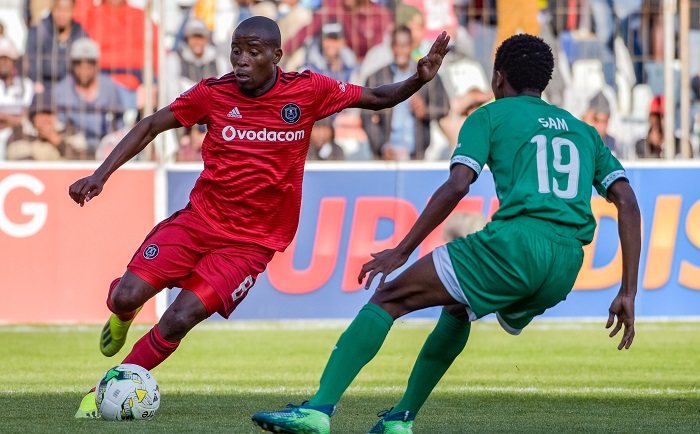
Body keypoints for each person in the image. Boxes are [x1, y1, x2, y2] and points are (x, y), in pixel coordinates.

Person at [252, 34, 640, 434]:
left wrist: (403, 250)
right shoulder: (584, 131)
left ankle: (318, 410)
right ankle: (400, 420)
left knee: (390, 297)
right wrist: (627, 292)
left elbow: (458, 185)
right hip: (566, 264)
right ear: (543, 81)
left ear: (498, 77)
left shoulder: (490, 116)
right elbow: (627, 203)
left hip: (515, 244)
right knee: (458, 308)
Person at [70, 16, 451, 418]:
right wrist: (100, 175)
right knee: (123, 295)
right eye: (237, 50)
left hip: (252, 244)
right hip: (198, 221)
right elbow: (151, 125)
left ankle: (104, 391)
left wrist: (416, 81)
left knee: (179, 318)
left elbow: (375, 96)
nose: (242, 60)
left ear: (276, 55)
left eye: (253, 52)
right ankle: (123, 315)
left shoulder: (307, 91)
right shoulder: (212, 94)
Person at [361, 26, 450, 160]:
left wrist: (425, 111)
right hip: (386, 156)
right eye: (396, 45)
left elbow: (444, 108)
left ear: (412, 46)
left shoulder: (427, 75)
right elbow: (366, 117)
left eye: (404, 46)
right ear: (391, 47)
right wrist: (382, 146)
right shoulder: (376, 77)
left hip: (417, 155)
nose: (400, 50)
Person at [53, 37, 125, 158]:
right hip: (73, 147)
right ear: (72, 64)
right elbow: (60, 124)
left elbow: (119, 122)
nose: (84, 67)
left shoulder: (109, 87)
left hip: (105, 145)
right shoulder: (61, 90)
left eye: (89, 62)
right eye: (78, 62)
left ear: (96, 64)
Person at [25, 0, 88, 94]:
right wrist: (36, 83)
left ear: (73, 10)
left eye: (66, 10)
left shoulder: (80, 35)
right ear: (52, 9)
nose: (62, 14)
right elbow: (31, 64)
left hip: (72, 90)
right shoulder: (38, 31)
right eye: (58, 9)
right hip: (41, 89)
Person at [582, 91, 617, 156]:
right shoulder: (577, 139)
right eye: (596, 120)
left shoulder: (611, 142)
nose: (600, 126)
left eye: (604, 121)